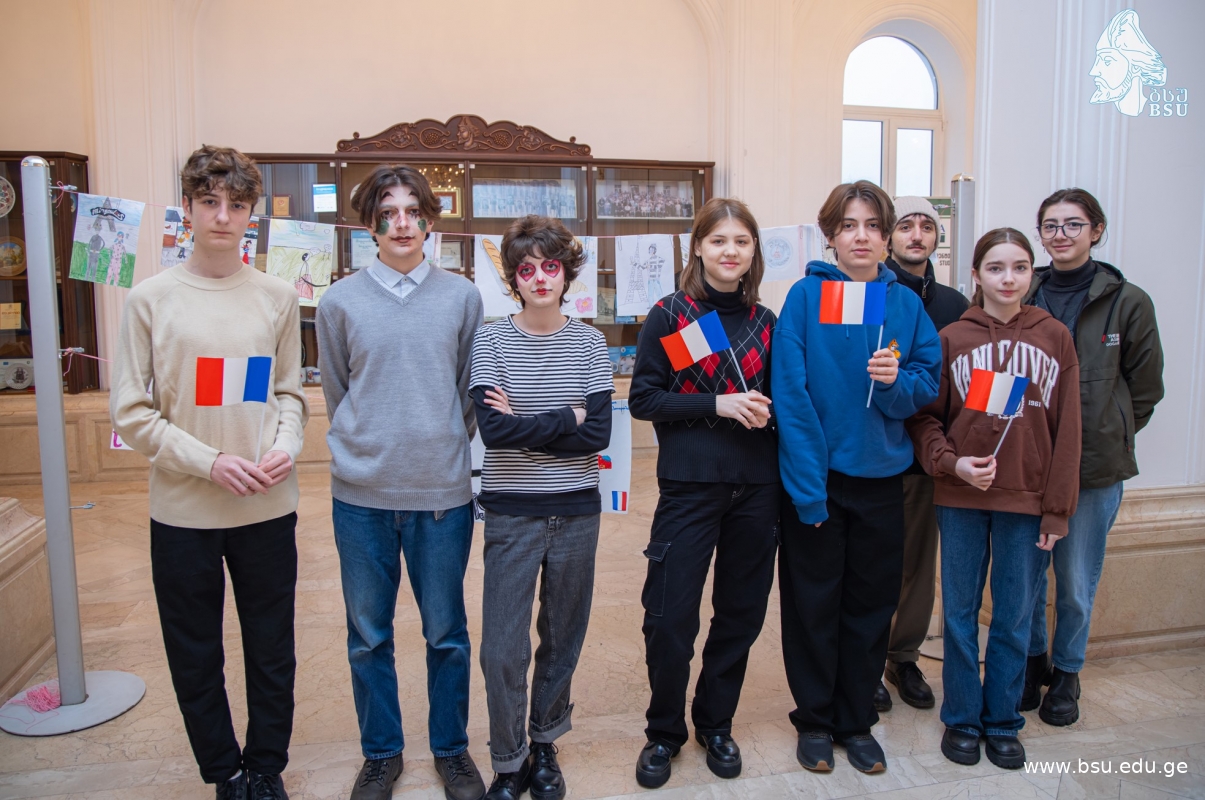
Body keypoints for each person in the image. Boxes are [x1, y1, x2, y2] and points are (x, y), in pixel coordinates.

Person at [111, 145, 308, 800]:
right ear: (187, 209)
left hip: (266, 506)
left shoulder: (277, 297)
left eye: (237, 204)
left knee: (271, 647)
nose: (223, 216)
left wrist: (285, 445)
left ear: (252, 214)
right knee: (195, 650)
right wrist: (211, 462)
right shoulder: (150, 299)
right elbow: (131, 413)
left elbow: (288, 393)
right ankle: (224, 772)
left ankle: (266, 767)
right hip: (183, 513)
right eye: (209, 202)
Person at [315, 165, 486, 800]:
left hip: (441, 494)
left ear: (431, 221)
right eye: (388, 213)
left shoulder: (462, 297)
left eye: (413, 211)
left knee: (446, 633)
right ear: (370, 225)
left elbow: (467, 390)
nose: (402, 223)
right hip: (361, 497)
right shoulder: (339, 302)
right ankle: (382, 753)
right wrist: (370, 441)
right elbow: (338, 391)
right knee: (368, 636)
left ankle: (451, 750)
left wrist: (435, 440)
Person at [772, 181, 941, 774]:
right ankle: (815, 720)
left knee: (870, 607)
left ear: (887, 236)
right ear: (831, 236)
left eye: (872, 225)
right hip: (817, 481)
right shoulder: (804, 297)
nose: (861, 236)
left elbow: (925, 385)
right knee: (813, 606)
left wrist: (895, 384)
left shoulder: (906, 306)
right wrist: (808, 487)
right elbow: (791, 397)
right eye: (849, 225)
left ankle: (855, 720)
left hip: (881, 483)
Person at [908, 227, 1081, 769]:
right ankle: (962, 716)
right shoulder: (952, 338)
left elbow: (1068, 431)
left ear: (1032, 273)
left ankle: (1003, 718)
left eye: (1020, 267)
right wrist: (951, 462)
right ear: (976, 275)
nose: (1009, 279)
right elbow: (925, 419)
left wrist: (1057, 510)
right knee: (960, 614)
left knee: (1013, 616)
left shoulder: (1055, 337)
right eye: (996, 268)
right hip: (960, 498)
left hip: (1026, 502)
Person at [629, 198, 780, 788]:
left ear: (753, 251)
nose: (729, 251)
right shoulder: (672, 315)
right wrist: (717, 403)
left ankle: (716, 723)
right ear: (697, 247)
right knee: (669, 617)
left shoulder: (766, 322)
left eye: (741, 241)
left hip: (757, 488)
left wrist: (770, 410)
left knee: (740, 615)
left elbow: (786, 399)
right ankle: (663, 732)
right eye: (718, 240)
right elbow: (645, 398)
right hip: (690, 488)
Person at [470, 215, 614, 800]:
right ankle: (509, 760)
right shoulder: (491, 340)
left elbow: (597, 434)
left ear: (566, 274)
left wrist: (527, 423)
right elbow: (493, 432)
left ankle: (545, 741)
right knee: (502, 646)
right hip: (512, 512)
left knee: (561, 637)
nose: (539, 278)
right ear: (513, 279)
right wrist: (565, 418)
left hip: (576, 511)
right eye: (526, 269)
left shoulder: (589, 342)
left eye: (550, 267)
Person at [1023, 188, 1164, 725]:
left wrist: (1110, 429)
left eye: (1073, 224)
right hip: (1027, 463)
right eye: (1051, 226)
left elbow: (1145, 387)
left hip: (1094, 468)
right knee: (1027, 577)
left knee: (1076, 581)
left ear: (1096, 231)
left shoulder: (1128, 301)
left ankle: (1067, 672)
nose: (1060, 235)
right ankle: (1031, 662)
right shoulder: (1023, 291)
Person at [875, 197, 969, 712]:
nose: (916, 234)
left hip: (928, 458)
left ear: (937, 237)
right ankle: (868, 659)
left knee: (917, 567)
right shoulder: (871, 293)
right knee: (873, 564)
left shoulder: (954, 304)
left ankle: (903, 656)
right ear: (889, 236)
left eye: (926, 226)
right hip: (874, 450)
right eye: (906, 225)